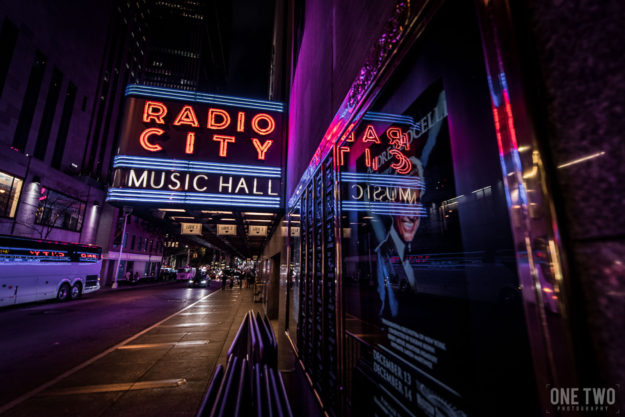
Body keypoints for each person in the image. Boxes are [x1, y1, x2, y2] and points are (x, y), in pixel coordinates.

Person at [375, 157, 424, 317]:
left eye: (415, 202)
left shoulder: (417, 248)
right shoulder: (383, 253)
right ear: (392, 206)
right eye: (404, 202)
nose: (411, 215)